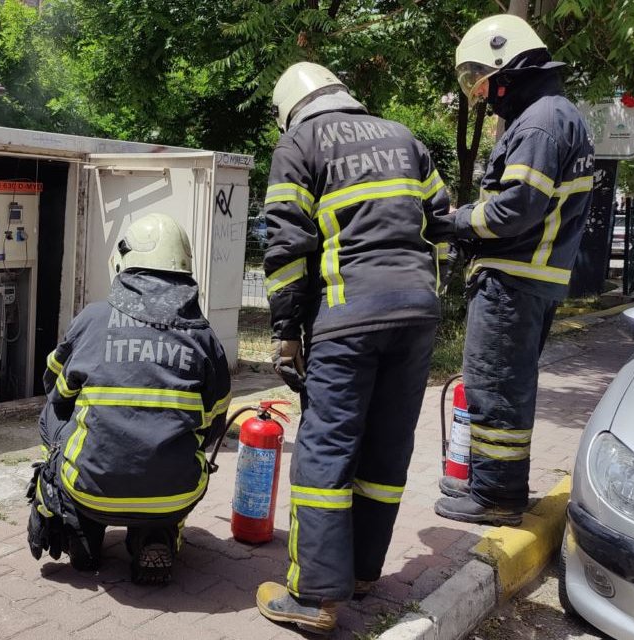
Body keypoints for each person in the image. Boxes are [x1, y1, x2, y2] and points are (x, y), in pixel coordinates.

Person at [254, 61, 451, 634]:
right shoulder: (404, 137)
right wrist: (420, 291)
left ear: (292, 106)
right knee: (387, 447)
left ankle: (314, 594)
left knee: (325, 450)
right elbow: (440, 224)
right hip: (418, 315)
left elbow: (287, 246)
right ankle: (363, 572)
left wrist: (287, 332)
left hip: (348, 316)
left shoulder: (300, 142)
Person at [434, 14, 595, 525]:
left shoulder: (541, 123)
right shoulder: (555, 113)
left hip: (514, 278)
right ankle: (491, 481)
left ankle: (497, 496)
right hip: (532, 278)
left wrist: (455, 223)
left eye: (482, 79)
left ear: (508, 65)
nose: (482, 94)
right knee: (507, 385)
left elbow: (516, 208)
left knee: (494, 386)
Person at [26, 213, 231, 585]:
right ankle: (157, 533)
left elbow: (53, 386)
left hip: (92, 488)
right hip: (176, 491)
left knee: (52, 413)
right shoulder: (205, 336)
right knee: (177, 461)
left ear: (124, 263)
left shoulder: (93, 318)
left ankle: (81, 527)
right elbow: (216, 421)